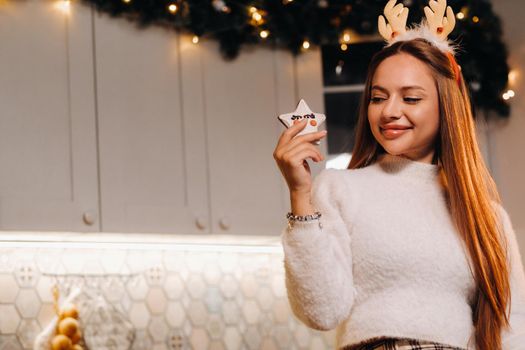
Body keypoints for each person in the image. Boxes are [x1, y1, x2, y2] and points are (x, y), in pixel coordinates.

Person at [272, 0, 525, 349]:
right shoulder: (340, 189)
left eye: (410, 98)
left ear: (445, 106)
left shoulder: (486, 216)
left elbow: (514, 328)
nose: (390, 111)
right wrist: (300, 196)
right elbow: (322, 311)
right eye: (378, 98)